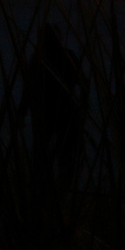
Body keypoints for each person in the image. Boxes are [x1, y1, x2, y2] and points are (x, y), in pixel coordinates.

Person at [22, 24, 87, 184]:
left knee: (44, 157)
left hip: (48, 115)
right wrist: (83, 107)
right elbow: (84, 83)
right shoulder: (67, 56)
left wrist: (21, 113)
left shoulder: (37, 59)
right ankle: (62, 189)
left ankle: (45, 187)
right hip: (68, 114)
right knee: (65, 157)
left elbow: (28, 92)